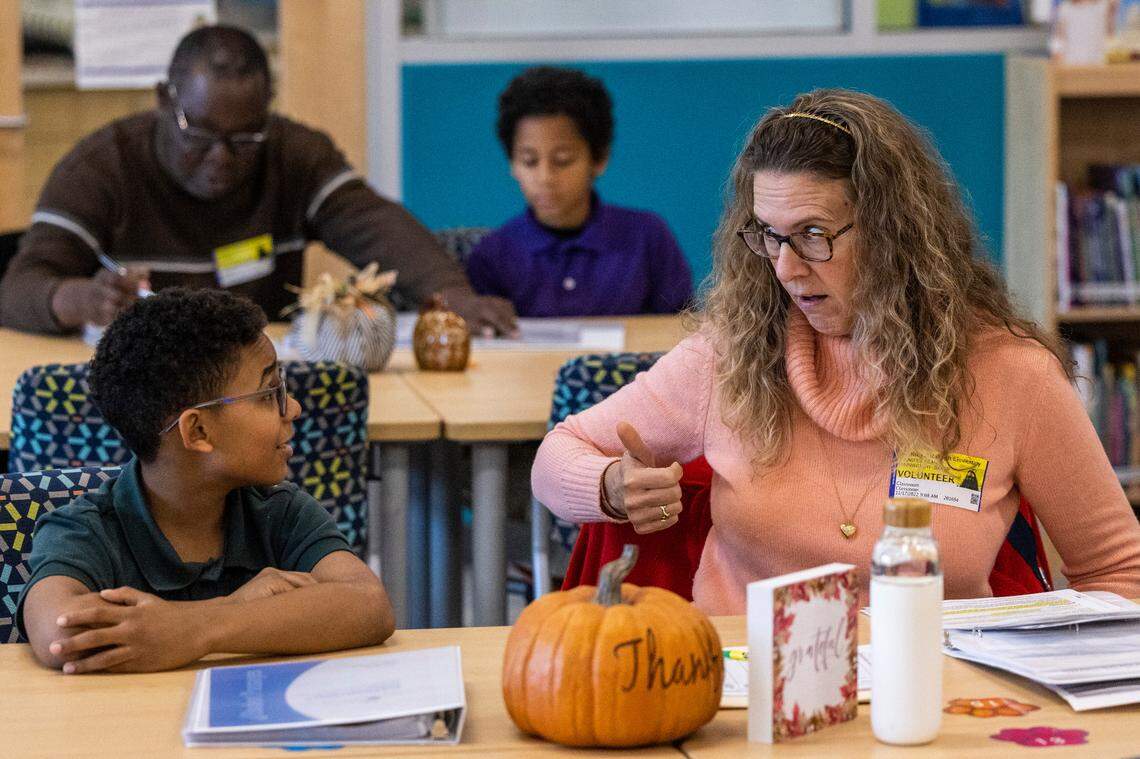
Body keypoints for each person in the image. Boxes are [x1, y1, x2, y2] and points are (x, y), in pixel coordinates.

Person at [532, 89, 1140, 613]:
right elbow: (557, 455)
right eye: (770, 236)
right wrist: (611, 485)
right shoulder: (730, 355)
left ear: (896, 232)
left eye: (814, 234)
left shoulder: (1010, 376)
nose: (786, 268)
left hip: (938, 698)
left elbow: (1119, 571)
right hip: (750, 693)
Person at [0, 24, 516, 336]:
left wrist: (451, 294)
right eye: (199, 134)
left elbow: (374, 224)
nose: (221, 157)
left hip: (255, 390)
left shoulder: (293, 152)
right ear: (164, 99)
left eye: (245, 137)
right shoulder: (101, 167)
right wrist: (74, 299)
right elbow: (16, 288)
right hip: (137, 404)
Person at [16, 288, 394, 673]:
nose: (292, 408)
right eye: (269, 394)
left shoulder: (280, 510)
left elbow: (368, 604)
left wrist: (194, 628)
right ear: (197, 431)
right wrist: (239, 606)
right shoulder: (85, 530)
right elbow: (59, 634)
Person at [465, 66, 692, 317]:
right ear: (512, 164)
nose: (545, 178)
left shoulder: (648, 237)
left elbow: (683, 331)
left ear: (599, 159)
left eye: (563, 160)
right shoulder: (492, 256)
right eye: (529, 161)